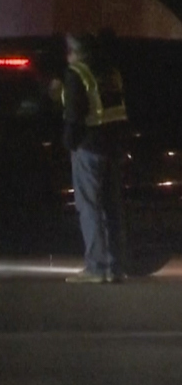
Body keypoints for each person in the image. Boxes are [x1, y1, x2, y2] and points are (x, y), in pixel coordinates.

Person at [61, 32, 128, 283]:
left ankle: (96, 267)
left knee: (89, 207)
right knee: (112, 208)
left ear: (75, 51)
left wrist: (69, 143)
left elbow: (74, 114)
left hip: (88, 148)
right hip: (112, 146)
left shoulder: (77, 73)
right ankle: (116, 267)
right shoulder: (110, 72)